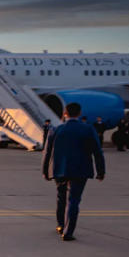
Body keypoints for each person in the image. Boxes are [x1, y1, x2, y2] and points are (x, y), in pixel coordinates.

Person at [42, 103, 105, 241]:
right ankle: (68, 231)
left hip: (60, 169)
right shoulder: (88, 129)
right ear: (79, 113)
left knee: (61, 198)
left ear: (65, 113)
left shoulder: (56, 129)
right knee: (74, 201)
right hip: (80, 170)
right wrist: (101, 171)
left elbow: (47, 152)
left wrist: (45, 170)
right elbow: (97, 152)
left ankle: (60, 225)